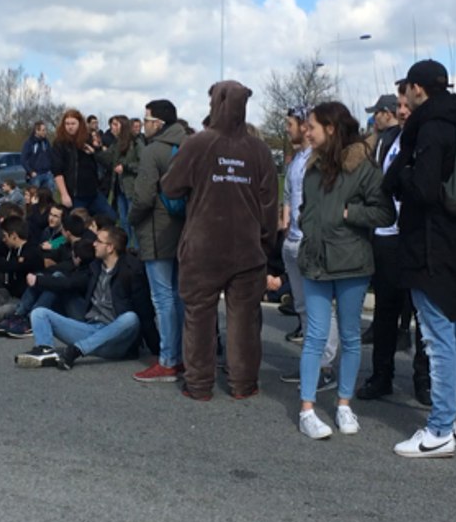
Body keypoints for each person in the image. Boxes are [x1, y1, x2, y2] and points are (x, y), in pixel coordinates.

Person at [384, 59, 456, 458]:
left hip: (427, 243)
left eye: (405, 91)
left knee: (437, 337)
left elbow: (424, 189)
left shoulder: (429, 126)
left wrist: (401, 172)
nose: (403, 100)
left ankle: (440, 428)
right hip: (454, 239)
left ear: (417, 88)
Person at [161, 80, 278, 400]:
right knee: (244, 320)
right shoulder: (259, 150)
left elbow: (170, 187)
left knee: (198, 316)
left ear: (214, 104)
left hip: (203, 246)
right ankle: (243, 383)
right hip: (246, 248)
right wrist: (265, 243)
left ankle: (199, 385)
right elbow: (269, 204)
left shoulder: (197, 144)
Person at [294, 102, 395, 439]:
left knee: (351, 337)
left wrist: (351, 213)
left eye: (312, 126)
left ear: (331, 128)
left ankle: (344, 404)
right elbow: (307, 209)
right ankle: (307, 409)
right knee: (315, 336)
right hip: (315, 261)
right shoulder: (312, 167)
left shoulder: (364, 167)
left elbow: (385, 213)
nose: (306, 131)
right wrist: (307, 225)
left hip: (352, 262)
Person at [358, 84, 431, 404]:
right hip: (386, 236)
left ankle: (424, 380)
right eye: (399, 105)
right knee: (385, 312)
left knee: (422, 315)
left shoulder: (429, 139)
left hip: (417, 236)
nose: (402, 111)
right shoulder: (387, 140)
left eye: (407, 105)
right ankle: (381, 375)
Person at [13, 227, 157, 369]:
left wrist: (156, 349)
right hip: (91, 329)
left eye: (99, 241)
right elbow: (70, 282)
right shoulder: (95, 267)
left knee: (131, 318)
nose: (94, 244)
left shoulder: (131, 270)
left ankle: (77, 350)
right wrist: (40, 279)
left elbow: (145, 311)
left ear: (110, 247)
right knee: (40, 313)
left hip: (116, 339)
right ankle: (45, 350)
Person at [277, 105, 340, 391]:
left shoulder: (320, 159)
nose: (287, 128)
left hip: (311, 240)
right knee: (302, 306)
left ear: (304, 126)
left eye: (291, 123)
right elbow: (290, 195)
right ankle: (310, 361)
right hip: (293, 240)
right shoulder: (296, 160)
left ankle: (325, 365)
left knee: (321, 307)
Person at [128, 99, 188, 383]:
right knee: (178, 296)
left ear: (158, 124)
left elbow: (143, 197)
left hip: (156, 230)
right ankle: (184, 355)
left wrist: (131, 218)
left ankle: (167, 359)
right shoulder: (189, 145)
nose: (144, 124)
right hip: (183, 229)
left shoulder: (153, 152)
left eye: (147, 119)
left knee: (162, 298)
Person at [50, 109, 111, 215]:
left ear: (80, 124)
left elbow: (103, 160)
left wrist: (95, 151)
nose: (70, 126)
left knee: (110, 217)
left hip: (93, 192)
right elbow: (57, 171)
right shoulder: (60, 143)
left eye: (73, 123)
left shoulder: (88, 139)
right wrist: (64, 194)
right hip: (74, 194)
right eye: (67, 124)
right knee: (77, 224)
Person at [103, 115, 141, 248]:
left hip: (131, 187)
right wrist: (95, 150)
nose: (112, 127)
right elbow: (107, 158)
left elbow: (142, 163)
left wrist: (126, 167)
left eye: (115, 124)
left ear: (123, 126)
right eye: (112, 124)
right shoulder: (116, 143)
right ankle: (125, 249)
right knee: (123, 221)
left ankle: (136, 249)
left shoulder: (135, 142)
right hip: (119, 188)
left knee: (133, 221)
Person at [22, 121, 54, 191]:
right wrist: (31, 172)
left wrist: (52, 169)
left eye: (45, 130)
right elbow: (23, 160)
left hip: (47, 174)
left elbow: (51, 156)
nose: (45, 132)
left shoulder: (46, 142)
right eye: (43, 130)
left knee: (49, 196)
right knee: (35, 196)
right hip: (36, 175)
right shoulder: (29, 143)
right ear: (37, 131)